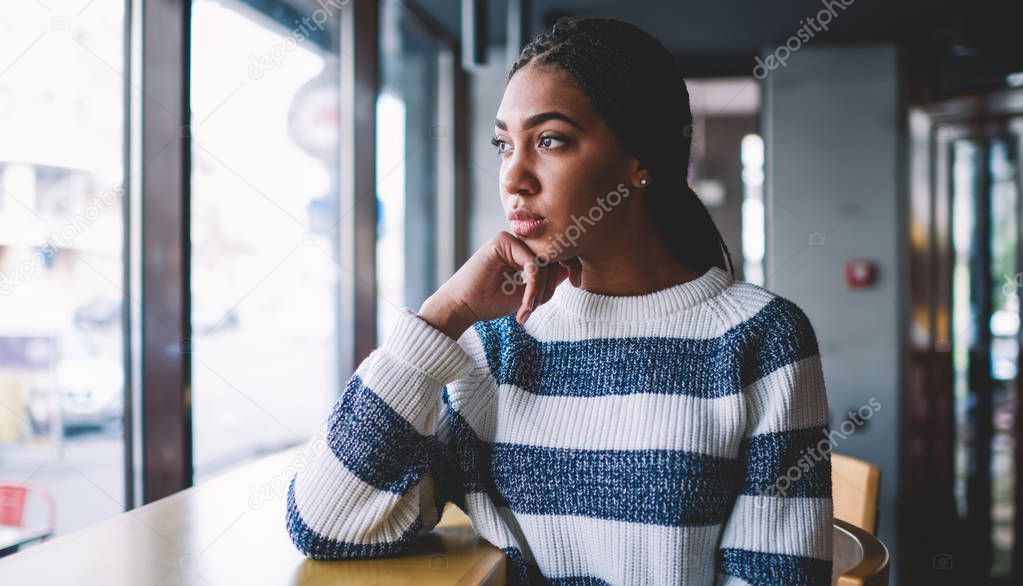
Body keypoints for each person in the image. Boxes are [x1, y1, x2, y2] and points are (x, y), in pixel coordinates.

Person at [286, 16, 833, 585]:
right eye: (503, 144)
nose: (513, 176)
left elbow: (777, 576)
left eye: (549, 140)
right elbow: (326, 525)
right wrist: (443, 316)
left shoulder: (761, 339)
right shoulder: (496, 346)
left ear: (639, 158)